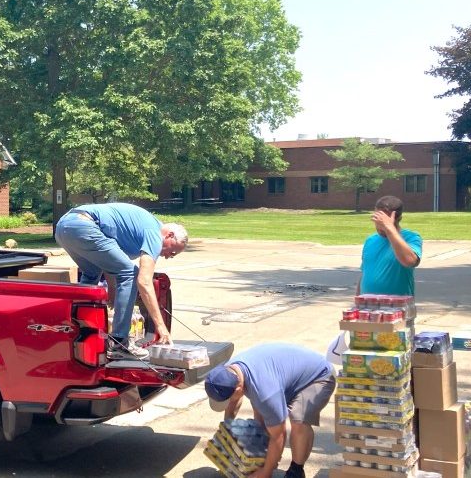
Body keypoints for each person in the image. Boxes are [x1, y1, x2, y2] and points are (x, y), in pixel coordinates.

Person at [54, 202, 188, 359]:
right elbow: (144, 281)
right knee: (130, 273)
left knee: (91, 274)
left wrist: (112, 290)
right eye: (172, 251)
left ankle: (74, 329)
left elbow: (109, 261)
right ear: (169, 235)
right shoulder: (154, 233)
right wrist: (160, 326)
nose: (167, 256)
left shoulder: (139, 228)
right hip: (84, 226)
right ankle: (119, 342)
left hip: (65, 225)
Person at [203, 343, 335, 478]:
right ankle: (265, 458)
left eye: (228, 398)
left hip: (318, 376)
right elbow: (234, 401)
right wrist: (228, 431)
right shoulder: (229, 371)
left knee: (298, 420)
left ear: (238, 388)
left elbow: (279, 435)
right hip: (282, 374)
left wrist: (266, 472)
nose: (229, 402)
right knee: (261, 420)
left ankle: (296, 470)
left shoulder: (265, 392)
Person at [358, 195, 422, 296]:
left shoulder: (411, 237)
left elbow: (410, 261)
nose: (379, 226)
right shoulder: (370, 240)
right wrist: (358, 299)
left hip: (397, 306)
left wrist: (389, 228)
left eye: (384, 221)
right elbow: (365, 273)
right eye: (377, 220)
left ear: (398, 218)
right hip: (368, 306)